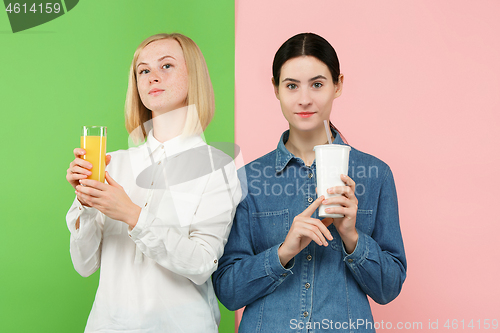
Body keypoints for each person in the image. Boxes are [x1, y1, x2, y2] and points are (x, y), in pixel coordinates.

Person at [212, 32, 407, 332]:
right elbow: (228, 290)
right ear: (275, 88)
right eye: (291, 85)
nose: (304, 99)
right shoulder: (248, 179)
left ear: (338, 85)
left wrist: (351, 236)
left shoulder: (375, 174)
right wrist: (283, 252)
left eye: (317, 84)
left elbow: (388, 288)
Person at [65, 33, 241, 333]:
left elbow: (201, 263)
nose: (152, 77)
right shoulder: (113, 163)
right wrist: (86, 204)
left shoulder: (217, 167)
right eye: (143, 70)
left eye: (167, 66)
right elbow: (84, 265)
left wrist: (132, 214)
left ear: (193, 75)